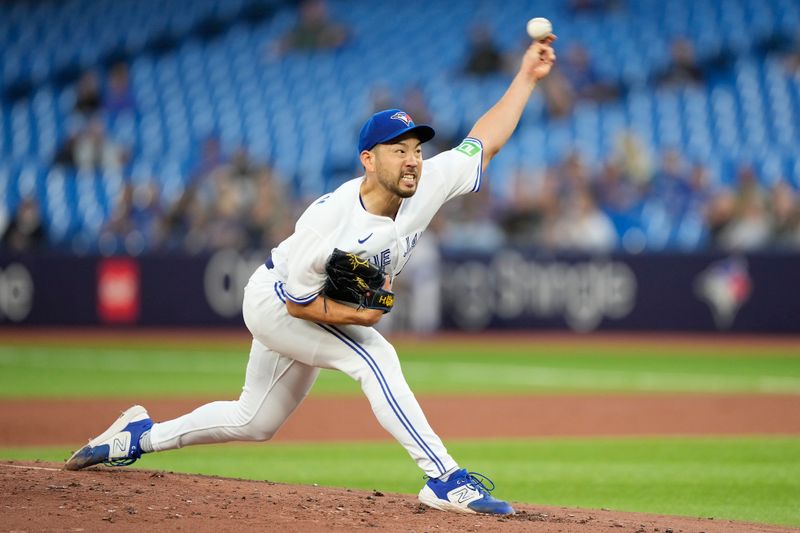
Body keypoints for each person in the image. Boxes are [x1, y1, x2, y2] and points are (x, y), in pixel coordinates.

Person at [64, 36, 557, 516]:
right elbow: (298, 304)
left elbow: (483, 142)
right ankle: (445, 478)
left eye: (415, 148)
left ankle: (135, 436)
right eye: (397, 149)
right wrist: (360, 314)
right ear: (368, 160)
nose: (411, 159)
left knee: (254, 420)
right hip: (277, 300)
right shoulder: (329, 223)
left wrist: (526, 76)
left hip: (306, 304)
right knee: (375, 358)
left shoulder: (426, 180)